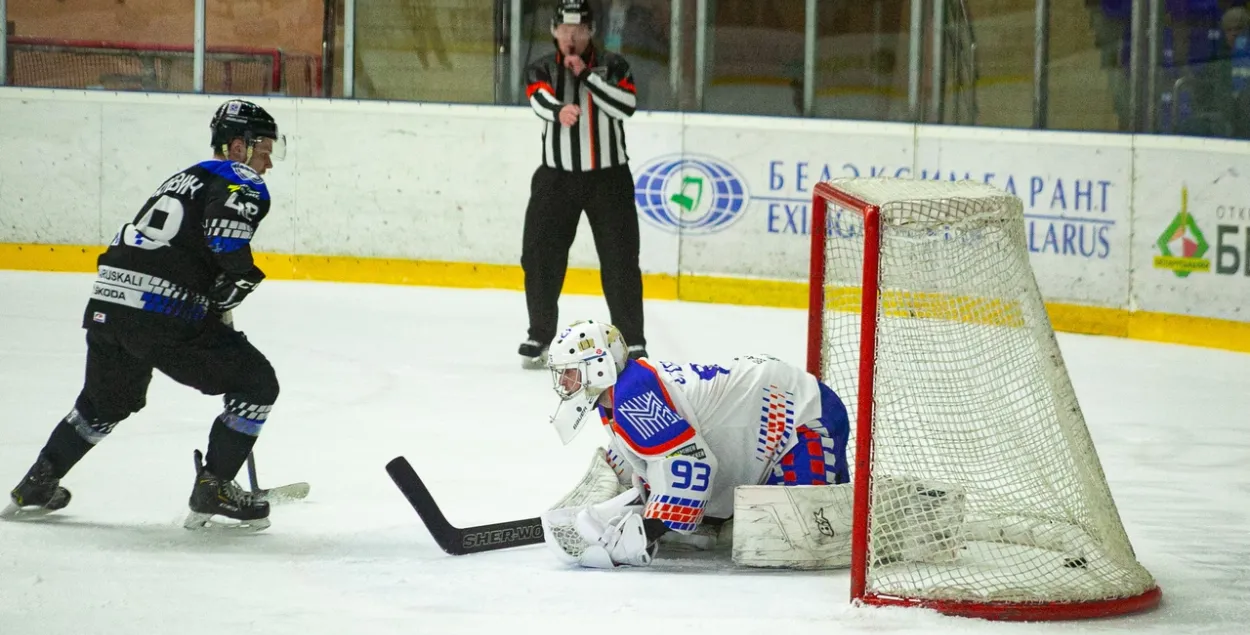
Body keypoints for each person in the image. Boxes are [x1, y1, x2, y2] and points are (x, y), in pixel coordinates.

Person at [2, 99, 286, 532]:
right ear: (237, 147)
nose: (267, 161)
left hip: (109, 304)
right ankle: (216, 486)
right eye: (264, 148)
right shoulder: (238, 176)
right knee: (256, 384)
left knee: (105, 403)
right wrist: (241, 277)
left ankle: (39, 481)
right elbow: (225, 237)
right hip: (162, 312)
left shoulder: (182, 179)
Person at [537, 320, 851, 569]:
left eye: (569, 372)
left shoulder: (633, 397)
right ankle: (713, 518)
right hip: (772, 409)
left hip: (805, 414)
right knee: (754, 527)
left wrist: (647, 531)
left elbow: (692, 467)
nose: (563, 382)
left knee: (805, 539)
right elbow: (654, 457)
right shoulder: (616, 399)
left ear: (600, 366)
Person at [517, 0, 648, 369]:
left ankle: (633, 341)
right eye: (564, 30)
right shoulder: (541, 67)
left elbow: (626, 106)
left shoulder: (614, 65)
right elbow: (538, 99)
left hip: (609, 179)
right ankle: (539, 334)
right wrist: (560, 111)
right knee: (539, 255)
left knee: (621, 259)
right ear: (554, 31)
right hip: (556, 178)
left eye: (579, 31)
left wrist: (588, 77)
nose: (571, 38)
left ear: (591, 32)